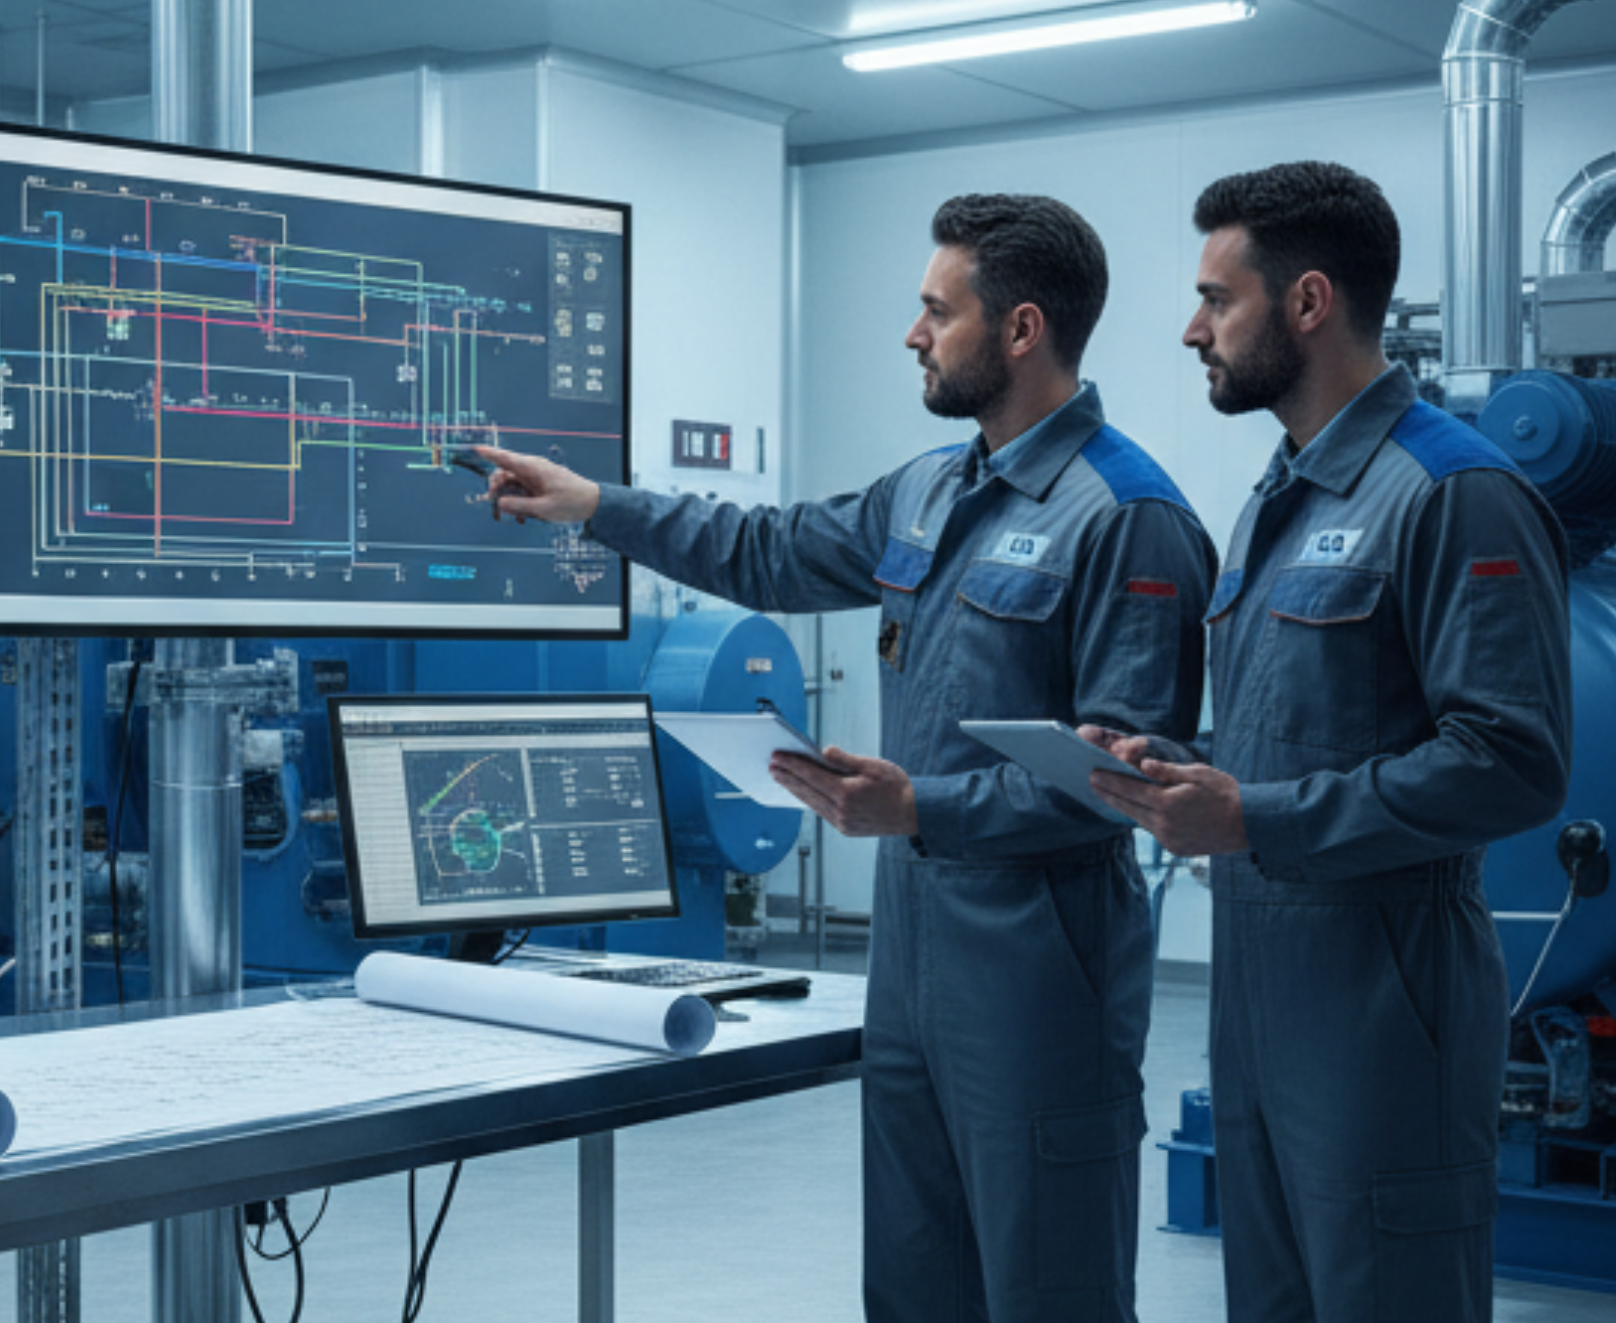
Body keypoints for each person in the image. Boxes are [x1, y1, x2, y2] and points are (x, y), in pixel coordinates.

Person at [479, 194, 1216, 1323]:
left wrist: (921, 805)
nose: (914, 334)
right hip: (913, 968)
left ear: (1020, 330)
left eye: (936, 310)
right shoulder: (926, 488)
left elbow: (1122, 783)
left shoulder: (1127, 516)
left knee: (1047, 1289)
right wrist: (596, 506)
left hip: (1041, 975)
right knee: (914, 1287)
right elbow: (768, 549)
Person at [1085, 162, 1572, 1323]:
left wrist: (1255, 818)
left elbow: (1513, 759)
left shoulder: (1454, 492)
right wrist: (1182, 765)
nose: (1192, 329)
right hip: (1260, 996)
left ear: (1307, 303)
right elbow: (1314, 722)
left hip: (1384, 1001)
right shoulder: (1285, 494)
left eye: (1219, 298)